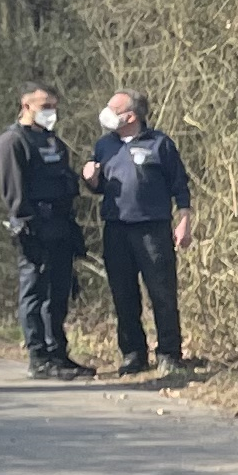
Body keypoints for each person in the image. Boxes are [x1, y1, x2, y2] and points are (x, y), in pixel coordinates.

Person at [83, 90, 194, 377]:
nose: (106, 112)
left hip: (152, 229)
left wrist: (184, 221)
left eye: (113, 108)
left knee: (162, 294)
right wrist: (91, 180)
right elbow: (98, 188)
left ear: (130, 116)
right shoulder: (104, 146)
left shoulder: (160, 144)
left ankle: (169, 353)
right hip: (116, 229)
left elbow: (180, 186)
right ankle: (133, 354)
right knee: (123, 295)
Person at [0, 85, 95, 378]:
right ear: (26, 105)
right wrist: (27, 225)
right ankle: (38, 357)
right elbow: (13, 190)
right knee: (35, 292)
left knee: (59, 292)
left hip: (61, 225)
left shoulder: (52, 140)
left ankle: (58, 354)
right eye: (45, 105)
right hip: (35, 227)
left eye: (54, 106)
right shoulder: (13, 141)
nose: (51, 111)